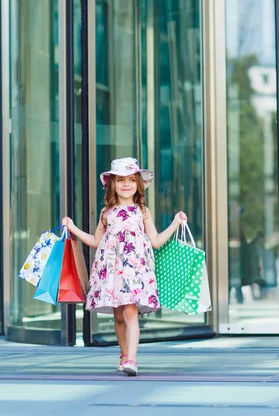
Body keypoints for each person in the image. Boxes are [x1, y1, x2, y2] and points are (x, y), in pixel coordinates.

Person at [62, 157, 187, 376]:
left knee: (130, 312)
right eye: (120, 180)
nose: (126, 184)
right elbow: (95, 242)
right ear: (112, 184)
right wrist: (73, 228)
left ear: (138, 184)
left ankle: (132, 359)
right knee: (118, 315)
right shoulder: (106, 213)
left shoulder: (142, 211)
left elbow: (156, 240)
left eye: (131, 179)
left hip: (134, 271)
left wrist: (175, 223)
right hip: (111, 271)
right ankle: (123, 354)